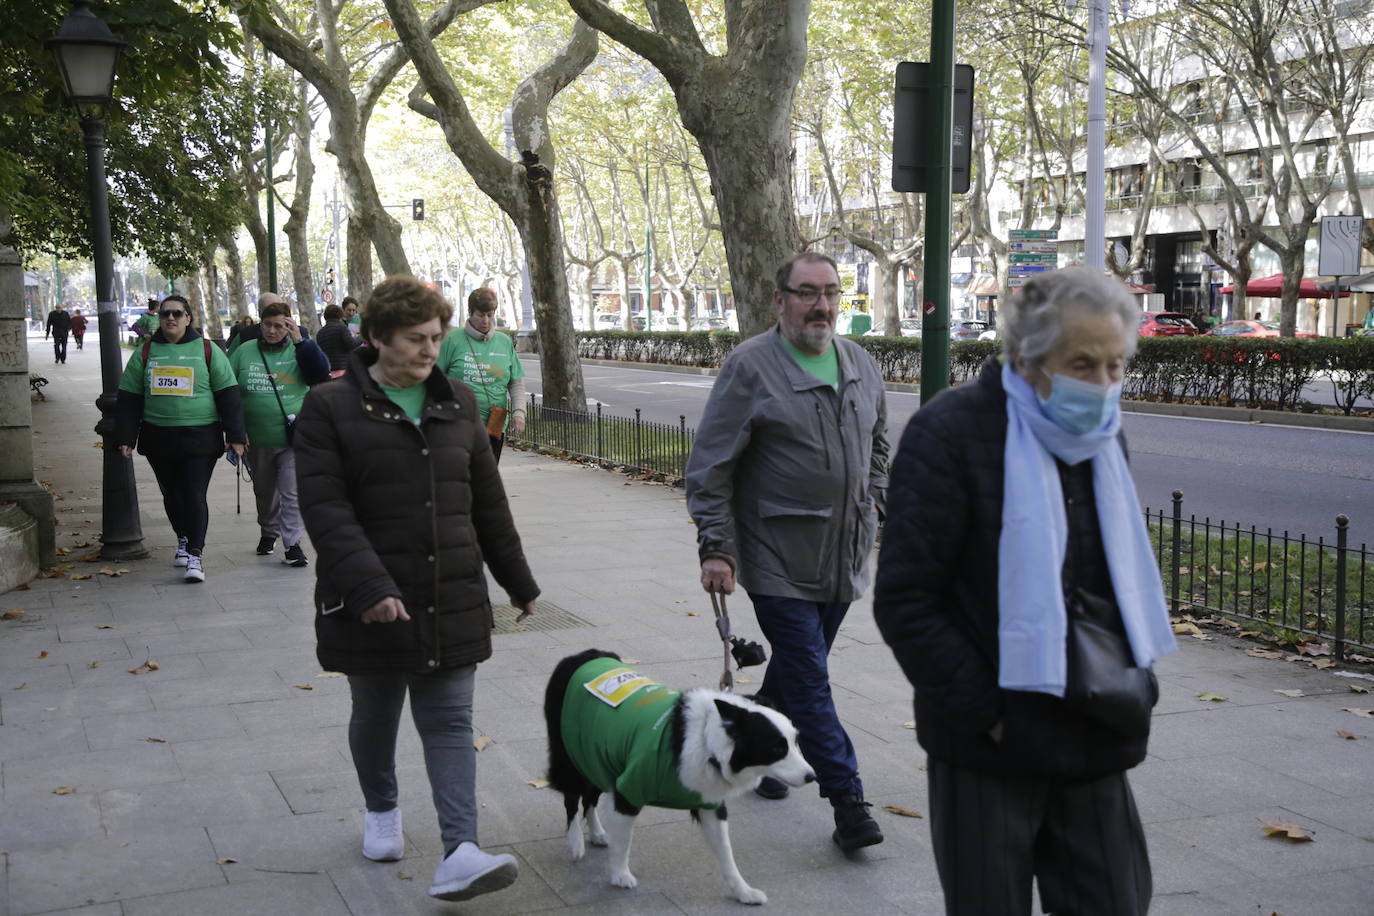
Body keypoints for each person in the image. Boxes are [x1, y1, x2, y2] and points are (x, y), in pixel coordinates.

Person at [873, 267, 1177, 916]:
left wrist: (1138, 682)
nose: (1102, 386)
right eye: (1082, 364)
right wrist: (989, 713)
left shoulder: (1103, 435)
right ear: (1024, 357)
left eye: (1116, 366)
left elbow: (1111, 579)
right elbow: (906, 600)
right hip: (988, 746)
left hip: (1093, 728)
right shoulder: (948, 434)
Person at [295, 275, 540, 903]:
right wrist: (370, 584)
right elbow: (326, 508)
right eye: (415, 339)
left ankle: (461, 850)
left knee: (451, 720)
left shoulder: (457, 400)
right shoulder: (331, 406)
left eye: (435, 337)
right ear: (376, 337)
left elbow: (488, 502)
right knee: (375, 713)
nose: (429, 349)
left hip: (451, 593)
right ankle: (382, 809)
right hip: (367, 601)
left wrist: (518, 581)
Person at [684, 251, 889, 853]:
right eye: (806, 293)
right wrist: (716, 547)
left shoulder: (859, 361)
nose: (821, 305)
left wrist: (874, 500)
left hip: (843, 556)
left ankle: (763, 752)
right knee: (813, 678)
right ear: (780, 300)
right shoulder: (751, 367)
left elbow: (878, 442)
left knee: (796, 677)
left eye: (830, 293)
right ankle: (848, 798)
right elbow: (710, 467)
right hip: (776, 556)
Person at [113, 294, 246, 583]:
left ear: (188, 318)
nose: (170, 318)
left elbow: (229, 395)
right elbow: (129, 398)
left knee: (194, 493)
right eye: (165, 314)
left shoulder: (208, 350)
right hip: (159, 435)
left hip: (201, 436)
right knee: (172, 494)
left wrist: (236, 436)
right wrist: (125, 435)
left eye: (177, 313)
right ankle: (183, 538)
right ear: (158, 319)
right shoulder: (146, 352)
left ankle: (195, 555)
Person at [228, 301, 330, 567]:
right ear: (260, 325)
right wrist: (236, 432)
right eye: (267, 325)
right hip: (256, 439)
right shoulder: (244, 351)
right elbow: (228, 393)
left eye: (279, 325)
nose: (272, 331)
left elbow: (321, 375)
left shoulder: (301, 349)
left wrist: (302, 342)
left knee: (291, 492)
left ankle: (293, 544)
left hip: (293, 437)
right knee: (265, 493)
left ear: (289, 325)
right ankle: (268, 531)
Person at [437, 288, 526, 461]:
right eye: (480, 315)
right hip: (459, 424)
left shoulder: (504, 342)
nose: (486, 321)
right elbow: (435, 378)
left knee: (488, 478)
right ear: (470, 312)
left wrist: (519, 413)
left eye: (490, 315)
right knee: (463, 477)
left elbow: (516, 381)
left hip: (494, 425)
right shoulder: (452, 340)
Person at [315, 303, 364, 373]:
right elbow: (353, 344)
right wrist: (362, 336)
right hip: (343, 369)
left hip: (329, 371)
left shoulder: (320, 333)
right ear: (340, 315)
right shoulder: (341, 328)